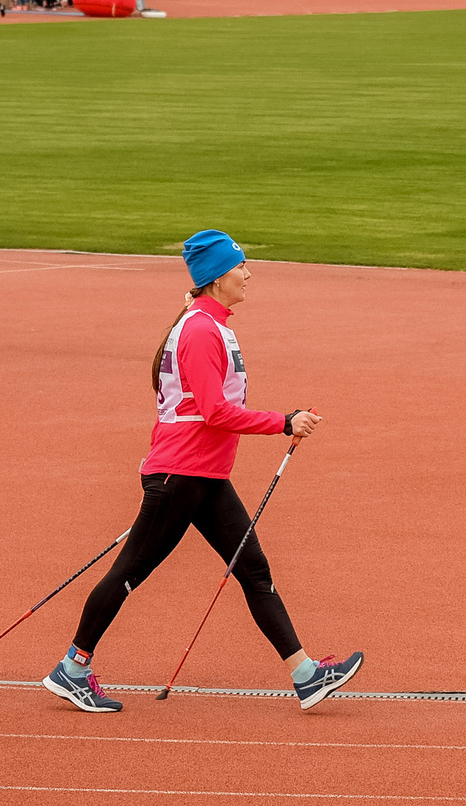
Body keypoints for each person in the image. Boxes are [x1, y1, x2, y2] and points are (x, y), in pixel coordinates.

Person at [45, 230, 360, 716]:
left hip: (203, 475)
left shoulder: (211, 324)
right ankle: (73, 667)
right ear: (216, 277)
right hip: (180, 474)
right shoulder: (199, 331)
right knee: (129, 573)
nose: (248, 274)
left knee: (253, 568)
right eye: (240, 266)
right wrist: (283, 422)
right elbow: (214, 412)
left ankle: (305, 675)